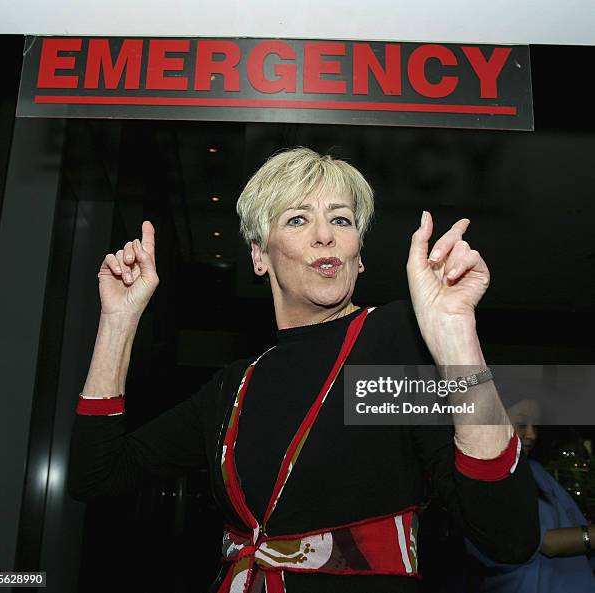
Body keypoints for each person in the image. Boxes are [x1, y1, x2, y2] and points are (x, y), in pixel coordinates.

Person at [68, 147, 539, 593]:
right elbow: (98, 476)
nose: (325, 235)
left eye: (341, 219)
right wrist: (118, 321)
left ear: (359, 252)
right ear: (259, 255)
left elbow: (507, 536)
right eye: (298, 219)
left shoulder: (391, 340)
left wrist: (456, 336)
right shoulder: (234, 386)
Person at [463, 398, 595, 591]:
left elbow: (577, 525)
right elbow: (546, 543)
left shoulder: (537, 472)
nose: (532, 434)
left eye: (536, 426)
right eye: (522, 424)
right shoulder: (479, 479)